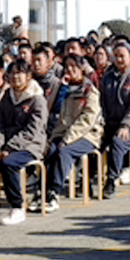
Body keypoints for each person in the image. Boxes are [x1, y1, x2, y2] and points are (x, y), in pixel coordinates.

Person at [0, 60, 48, 224]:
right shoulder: (7, 96)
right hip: (6, 144)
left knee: (8, 163)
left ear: (29, 76)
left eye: (19, 73)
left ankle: (17, 207)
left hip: (30, 146)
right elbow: (0, 125)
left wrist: (10, 147)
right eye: (12, 73)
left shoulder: (37, 99)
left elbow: (32, 131)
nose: (15, 77)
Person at [44, 55, 103, 205]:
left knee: (64, 151)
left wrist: (67, 139)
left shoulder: (90, 91)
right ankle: (42, 190)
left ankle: (54, 192)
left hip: (88, 136)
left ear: (82, 68)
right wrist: (53, 138)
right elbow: (61, 117)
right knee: (49, 151)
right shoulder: (65, 89)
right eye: (67, 66)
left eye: (74, 66)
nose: (70, 69)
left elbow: (87, 121)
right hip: (65, 133)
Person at [98, 41, 130, 199]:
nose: (118, 59)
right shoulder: (107, 77)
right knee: (94, 142)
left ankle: (111, 179)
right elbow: (102, 102)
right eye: (115, 56)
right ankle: (89, 178)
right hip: (110, 123)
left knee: (118, 142)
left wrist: (126, 125)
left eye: (122, 56)